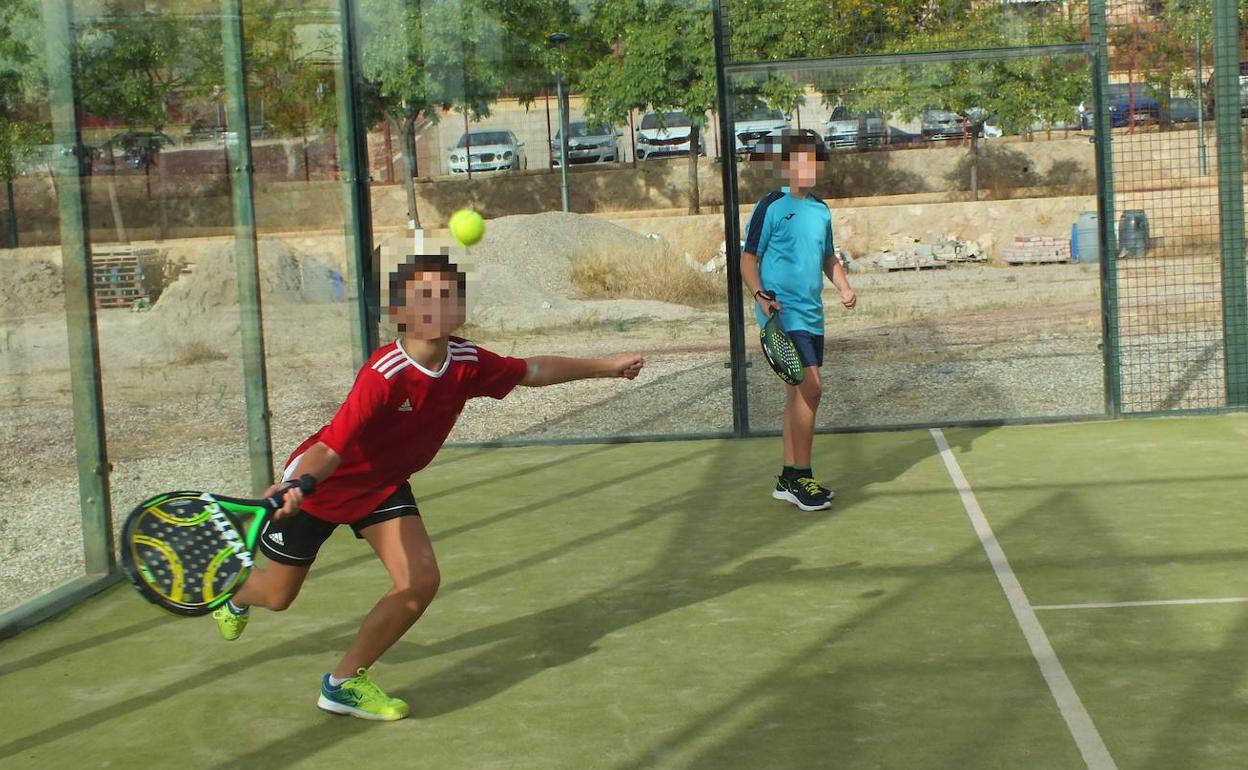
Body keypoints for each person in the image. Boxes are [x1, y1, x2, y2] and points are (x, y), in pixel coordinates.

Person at [213, 253, 646, 721]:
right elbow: (333, 447)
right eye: (421, 297)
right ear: (397, 312)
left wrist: (607, 366)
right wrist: (297, 483)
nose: (435, 307)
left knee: (420, 581)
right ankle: (237, 593)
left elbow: (532, 371)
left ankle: (342, 683)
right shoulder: (383, 375)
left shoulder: (467, 361)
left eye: (445, 297)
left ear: (459, 310)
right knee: (277, 597)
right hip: (323, 486)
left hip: (382, 487)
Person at [740, 129, 857, 512]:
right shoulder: (771, 206)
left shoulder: (821, 210)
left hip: (812, 315)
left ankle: (788, 478)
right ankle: (803, 477)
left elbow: (827, 257)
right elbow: (748, 259)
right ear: (788, 167)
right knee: (812, 389)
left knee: (797, 394)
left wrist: (843, 286)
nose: (807, 168)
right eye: (800, 161)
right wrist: (760, 295)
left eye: (814, 161)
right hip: (781, 312)